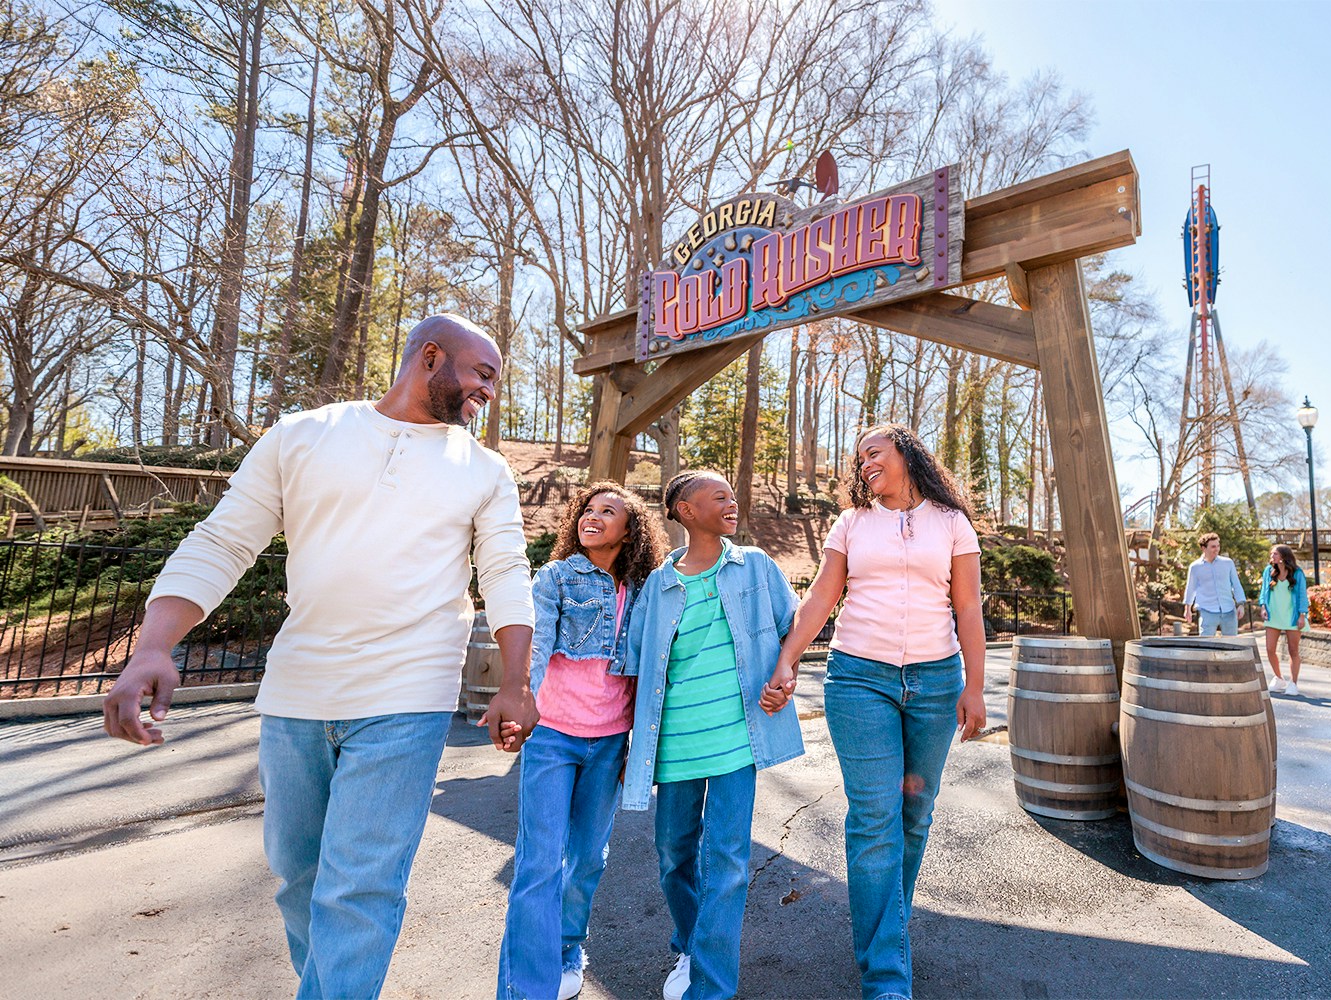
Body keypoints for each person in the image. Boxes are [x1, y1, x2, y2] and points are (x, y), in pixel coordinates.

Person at [100, 315, 538, 1000]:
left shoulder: (484, 470)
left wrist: (515, 680)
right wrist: (153, 645)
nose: (490, 391)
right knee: (299, 877)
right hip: (295, 696)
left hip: (407, 698)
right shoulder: (304, 436)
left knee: (359, 887)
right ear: (430, 356)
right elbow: (224, 542)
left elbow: (507, 571)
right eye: (483, 373)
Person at [762, 423, 986, 1000]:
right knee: (874, 818)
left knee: (915, 813)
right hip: (860, 680)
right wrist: (788, 658)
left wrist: (976, 688)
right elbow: (820, 597)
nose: (863, 464)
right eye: (858, 457)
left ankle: (888, 929)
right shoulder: (852, 523)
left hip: (937, 683)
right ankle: (886, 975)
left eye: (873, 453)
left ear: (906, 454)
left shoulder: (952, 523)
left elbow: (967, 607)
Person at [621, 470, 804, 1000]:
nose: (731, 501)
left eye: (732, 492)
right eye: (718, 495)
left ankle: (711, 986)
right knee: (674, 856)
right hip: (675, 741)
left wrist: (784, 674)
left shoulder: (757, 567)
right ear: (685, 509)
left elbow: (793, 627)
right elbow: (634, 661)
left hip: (737, 740)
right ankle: (690, 944)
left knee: (726, 861)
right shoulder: (659, 584)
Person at [496, 482, 668, 1000]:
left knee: (589, 858)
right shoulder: (557, 576)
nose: (591, 517)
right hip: (552, 736)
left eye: (607, 512)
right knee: (539, 861)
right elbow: (539, 641)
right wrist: (522, 698)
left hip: (611, 741)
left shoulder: (646, 589)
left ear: (629, 528)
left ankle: (569, 947)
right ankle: (526, 987)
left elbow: (648, 668)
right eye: (587, 510)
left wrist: (638, 744)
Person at [1259, 543, 1310, 696]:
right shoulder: (1269, 571)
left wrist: (1302, 615)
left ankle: (1293, 683)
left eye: (1274, 554)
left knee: (1293, 650)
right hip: (1273, 615)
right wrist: (1263, 607)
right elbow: (1263, 592)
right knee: (1269, 649)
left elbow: (1302, 595)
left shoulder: (1298, 573)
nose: (1271, 557)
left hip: (1292, 616)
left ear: (1283, 556)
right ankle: (1278, 677)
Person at [1182, 532, 1248, 636]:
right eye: (1213, 546)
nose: (1216, 549)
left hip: (1229, 611)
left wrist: (1241, 604)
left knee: (1232, 646)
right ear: (1204, 548)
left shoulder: (1228, 563)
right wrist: (1187, 609)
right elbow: (1190, 588)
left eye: (1218, 546)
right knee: (1206, 645)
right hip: (1207, 611)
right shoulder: (1195, 567)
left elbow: (1236, 584)